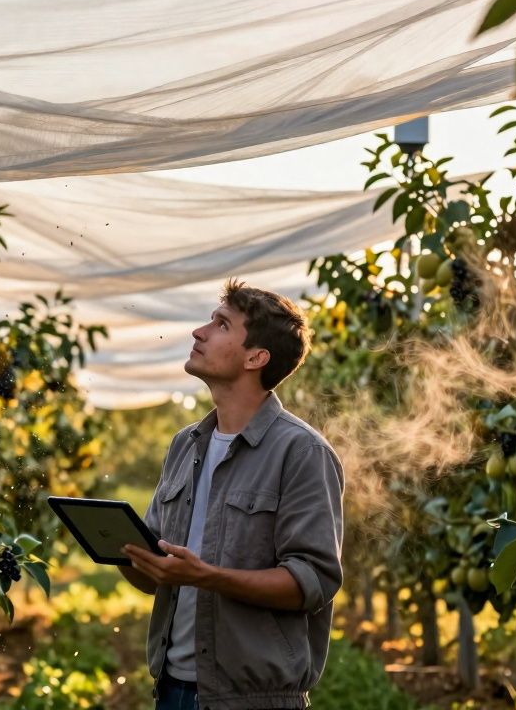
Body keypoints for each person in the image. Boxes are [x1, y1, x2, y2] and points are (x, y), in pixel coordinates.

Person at [119, 279, 344, 710]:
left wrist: (208, 577)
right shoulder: (186, 444)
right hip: (171, 689)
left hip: (252, 700)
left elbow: (311, 582)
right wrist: (123, 551)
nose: (198, 332)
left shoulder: (301, 452)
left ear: (256, 358)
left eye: (221, 325)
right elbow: (156, 574)